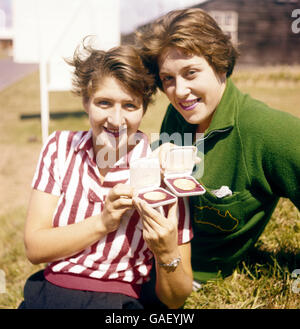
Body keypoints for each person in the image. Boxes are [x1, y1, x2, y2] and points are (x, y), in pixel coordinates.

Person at [19, 41, 193, 309]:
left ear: (144, 108)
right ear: (86, 102)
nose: (116, 119)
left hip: (120, 301)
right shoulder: (59, 148)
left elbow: (176, 298)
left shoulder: (162, 169)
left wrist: (167, 251)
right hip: (52, 293)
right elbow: (35, 248)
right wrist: (103, 222)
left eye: (130, 106)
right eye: (104, 102)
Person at [136, 8, 300, 283]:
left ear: (220, 64)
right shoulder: (177, 116)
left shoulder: (267, 131)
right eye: (168, 79)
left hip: (185, 278)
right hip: (138, 259)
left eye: (191, 73)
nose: (179, 91)